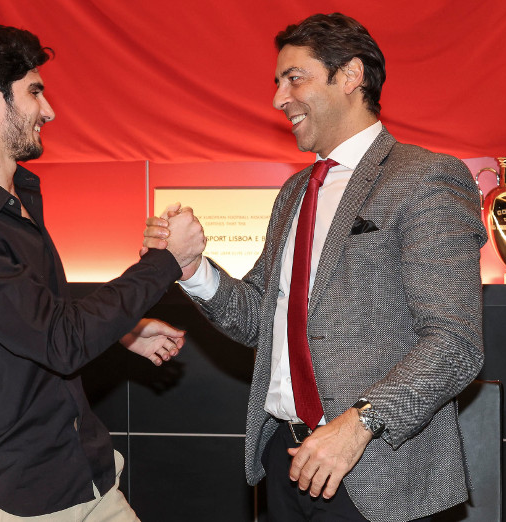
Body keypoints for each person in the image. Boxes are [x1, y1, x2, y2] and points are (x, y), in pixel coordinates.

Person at [144, 12, 486, 522]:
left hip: (376, 473)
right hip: (285, 459)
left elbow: (455, 343)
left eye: (294, 78)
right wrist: (193, 268)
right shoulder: (295, 193)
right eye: (278, 82)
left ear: (350, 76)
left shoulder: (425, 177)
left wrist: (358, 425)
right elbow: (261, 317)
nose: (279, 99)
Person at [0, 22, 205, 522]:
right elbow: (60, 340)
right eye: (35, 92)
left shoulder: (19, 199)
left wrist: (121, 330)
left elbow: (37, 315)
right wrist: (166, 264)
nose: (49, 109)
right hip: (3, 501)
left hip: (79, 478)